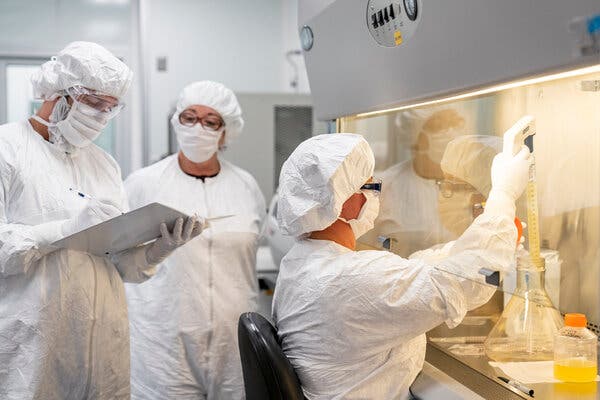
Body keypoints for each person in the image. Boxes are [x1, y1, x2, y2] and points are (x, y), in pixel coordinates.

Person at [0, 41, 199, 400]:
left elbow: (117, 265)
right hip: (32, 352)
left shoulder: (104, 165)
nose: (100, 116)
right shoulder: (7, 149)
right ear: (58, 92)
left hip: (101, 347)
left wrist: (158, 250)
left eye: (110, 108)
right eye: (93, 102)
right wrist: (61, 231)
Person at [272, 133, 530, 399]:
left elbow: (410, 274)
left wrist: (488, 240)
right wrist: (504, 195)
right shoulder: (347, 278)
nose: (375, 194)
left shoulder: (303, 263)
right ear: (342, 200)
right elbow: (463, 283)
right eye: (369, 185)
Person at [125, 81, 266, 400]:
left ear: (225, 131)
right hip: (165, 344)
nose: (197, 127)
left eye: (210, 120)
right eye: (189, 117)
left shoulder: (246, 186)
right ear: (177, 121)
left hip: (234, 342)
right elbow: (118, 261)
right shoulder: (143, 185)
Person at [362, 108, 466, 256]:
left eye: (454, 123)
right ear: (416, 137)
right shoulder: (386, 187)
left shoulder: (470, 185)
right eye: (438, 126)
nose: (450, 132)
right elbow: (363, 248)